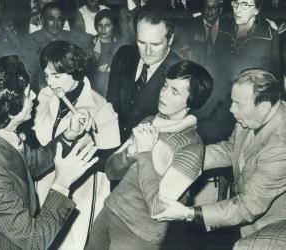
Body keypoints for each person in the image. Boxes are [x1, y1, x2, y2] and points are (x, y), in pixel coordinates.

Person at [0, 55, 99, 249]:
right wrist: (62, 183)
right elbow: (35, 241)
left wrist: (69, 135)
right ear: (8, 109)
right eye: (27, 93)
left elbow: (31, 163)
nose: (34, 95)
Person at [86, 60, 213, 250]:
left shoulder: (192, 148)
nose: (163, 94)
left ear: (192, 101)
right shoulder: (150, 121)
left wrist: (145, 153)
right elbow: (111, 171)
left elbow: (158, 209)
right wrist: (129, 154)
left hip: (138, 232)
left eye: (175, 91)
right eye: (165, 85)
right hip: (110, 211)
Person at [152, 68, 286, 240]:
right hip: (238, 212)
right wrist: (181, 157)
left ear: (264, 107)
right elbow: (231, 149)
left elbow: (248, 206)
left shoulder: (281, 147)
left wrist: (188, 213)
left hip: (269, 227)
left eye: (238, 104)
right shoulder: (253, 115)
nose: (231, 109)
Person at [33, 41, 120, 250]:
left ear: (76, 72)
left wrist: (89, 137)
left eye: (56, 76)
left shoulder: (101, 108)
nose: (50, 82)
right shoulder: (45, 97)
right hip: (46, 184)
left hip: (82, 191)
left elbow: (112, 164)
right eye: (47, 75)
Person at [107, 9, 180, 143]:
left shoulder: (180, 73)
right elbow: (111, 104)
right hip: (113, 141)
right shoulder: (123, 55)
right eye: (141, 42)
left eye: (155, 44)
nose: (147, 51)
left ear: (170, 39)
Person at [21, 2, 94, 93]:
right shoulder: (30, 41)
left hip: (69, 87)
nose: (55, 23)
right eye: (51, 19)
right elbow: (29, 73)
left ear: (63, 21)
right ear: (42, 20)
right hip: (42, 89)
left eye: (59, 19)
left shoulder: (70, 37)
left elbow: (90, 40)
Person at [91, 9, 122, 97]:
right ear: (96, 26)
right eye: (100, 25)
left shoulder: (119, 44)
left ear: (113, 26)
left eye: (107, 25)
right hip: (94, 91)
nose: (103, 29)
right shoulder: (90, 43)